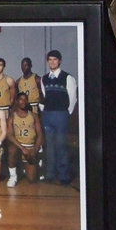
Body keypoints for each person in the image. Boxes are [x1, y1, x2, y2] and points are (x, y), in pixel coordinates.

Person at [40, 49, 76, 185]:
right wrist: (44, 110)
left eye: (55, 59)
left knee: (61, 145)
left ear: (59, 61)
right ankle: (50, 173)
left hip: (61, 115)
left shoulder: (68, 77)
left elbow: (73, 98)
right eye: (50, 59)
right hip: (48, 115)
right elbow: (45, 96)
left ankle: (64, 175)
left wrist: (67, 113)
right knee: (50, 146)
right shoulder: (44, 78)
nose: (52, 62)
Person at [5, 92, 44, 188]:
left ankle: (27, 167)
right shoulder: (12, 116)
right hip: (19, 147)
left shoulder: (34, 116)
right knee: (11, 150)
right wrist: (22, 148)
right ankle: (13, 176)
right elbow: (9, 135)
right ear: (17, 101)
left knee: (32, 180)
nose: (23, 101)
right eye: (21, 99)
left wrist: (35, 149)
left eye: (25, 99)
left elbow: (40, 134)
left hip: (30, 147)